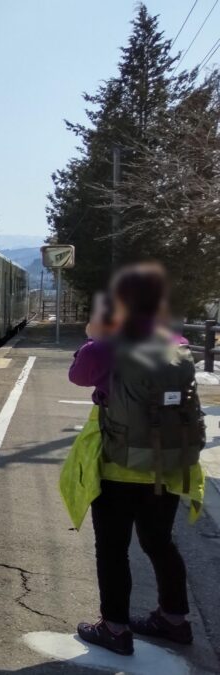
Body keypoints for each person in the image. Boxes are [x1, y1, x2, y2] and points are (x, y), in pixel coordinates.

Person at [60, 263, 206, 655]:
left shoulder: (107, 345)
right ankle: (174, 620)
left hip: (120, 466)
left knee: (113, 548)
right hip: (169, 466)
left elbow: (78, 375)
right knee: (160, 543)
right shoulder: (175, 341)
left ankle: (114, 627)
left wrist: (93, 335)